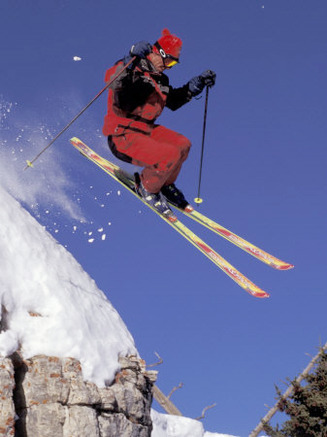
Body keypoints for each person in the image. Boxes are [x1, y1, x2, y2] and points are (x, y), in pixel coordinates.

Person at [103, 29, 216, 219]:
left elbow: (172, 101)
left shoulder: (161, 79)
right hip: (122, 135)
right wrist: (129, 58)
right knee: (168, 155)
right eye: (169, 61)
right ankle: (147, 187)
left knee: (183, 144)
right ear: (158, 53)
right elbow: (113, 82)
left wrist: (195, 85)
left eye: (174, 63)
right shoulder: (133, 67)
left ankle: (165, 185)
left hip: (145, 131)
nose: (170, 67)